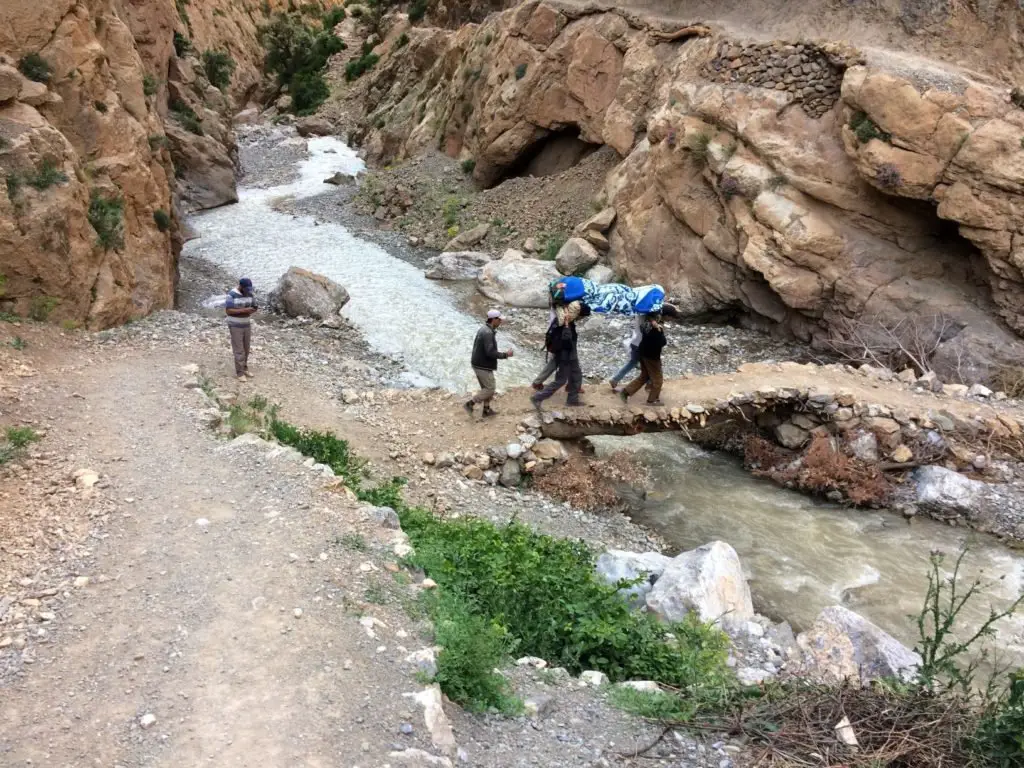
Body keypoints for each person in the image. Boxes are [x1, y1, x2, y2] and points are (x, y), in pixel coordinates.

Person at [530, 302, 585, 410]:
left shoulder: (566, 321)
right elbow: (567, 342)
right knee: (560, 380)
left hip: (570, 356)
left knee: (576, 376)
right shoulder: (564, 325)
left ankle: (572, 399)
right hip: (566, 358)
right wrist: (566, 326)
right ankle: (537, 397)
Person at [466, 309, 514, 417]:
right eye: (499, 320)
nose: (500, 322)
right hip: (482, 365)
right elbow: (490, 352)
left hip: (478, 363)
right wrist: (506, 355)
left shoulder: (484, 329)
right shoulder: (488, 333)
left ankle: (486, 410)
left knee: (486, 388)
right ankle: (470, 403)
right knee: (490, 389)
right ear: (494, 320)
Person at [619, 312, 666, 405]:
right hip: (652, 356)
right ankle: (652, 401)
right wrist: (660, 331)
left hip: (643, 353)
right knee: (658, 379)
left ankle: (626, 392)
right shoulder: (656, 329)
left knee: (644, 376)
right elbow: (662, 342)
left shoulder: (645, 324)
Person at [225, 277, 258, 380]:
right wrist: (244, 310)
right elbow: (229, 311)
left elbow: (255, 306)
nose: (247, 291)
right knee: (239, 350)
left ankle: (244, 368)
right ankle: (239, 373)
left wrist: (252, 310)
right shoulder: (232, 294)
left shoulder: (249, 293)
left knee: (246, 348)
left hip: (246, 324)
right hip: (235, 325)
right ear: (240, 286)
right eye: (246, 289)